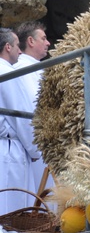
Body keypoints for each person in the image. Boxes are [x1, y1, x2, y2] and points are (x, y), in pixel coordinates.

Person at [0, 28, 41, 215]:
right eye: (17, 46)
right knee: (11, 209)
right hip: (8, 149)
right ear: (7, 47)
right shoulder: (6, 72)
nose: (20, 50)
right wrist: (34, 148)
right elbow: (20, 114)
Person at [13, 22, 53, 200]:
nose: (48, 43)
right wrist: (35, 147)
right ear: (30, 41)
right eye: (43, 38)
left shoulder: (38, 68)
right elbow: (30, 108)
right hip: (35, 144)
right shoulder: (22, 69)